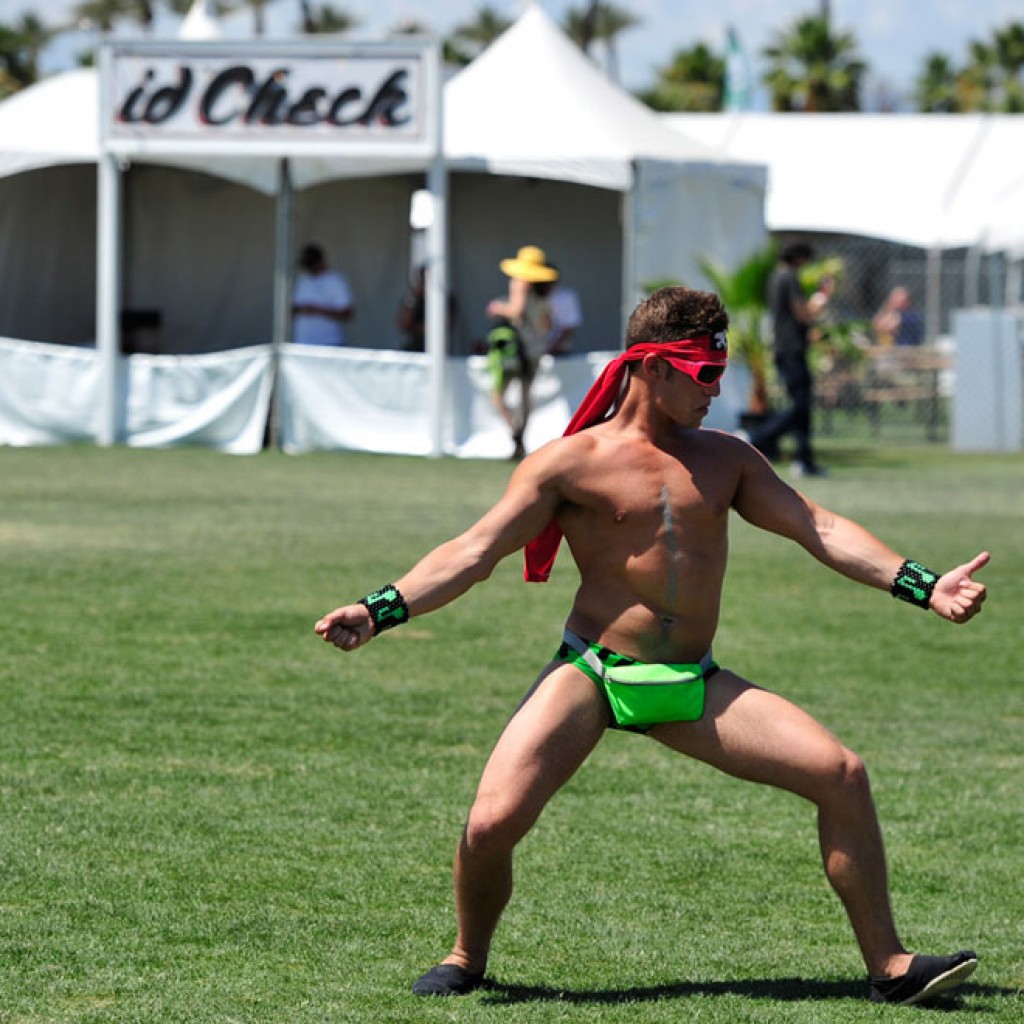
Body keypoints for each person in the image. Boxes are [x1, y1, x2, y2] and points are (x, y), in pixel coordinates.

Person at [315, 285, 987, 1007]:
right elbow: (473, 552)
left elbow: (818, 527)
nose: (716, 390)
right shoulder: (569, 463)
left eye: (720, 373)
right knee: (490, 824)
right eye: (704, 374)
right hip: (592, 673)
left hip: (691, 680)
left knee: (841, 773)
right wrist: (379, 609)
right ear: (654, 367)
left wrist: (924, 585)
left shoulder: (727, 459)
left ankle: (891, 966)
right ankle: (465, 957)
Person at [749, 242, 832, 477]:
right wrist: (820, 300)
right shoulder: (789, 277)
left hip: (784, 348)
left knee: (802, 406)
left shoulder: (776, 277)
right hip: (791, 349)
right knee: (800, 405)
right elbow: (802, 314)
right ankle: (757, 436)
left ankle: (804, 460)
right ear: (798, 257)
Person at [485, 245, 558, 459]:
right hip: (535, 348)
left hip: (516, 347)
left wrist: (498, 308)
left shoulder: (519, 283)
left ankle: (516, 435)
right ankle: (520, 439)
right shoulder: (544, 290)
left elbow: (515, 311)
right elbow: (547, 324)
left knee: (497, 395)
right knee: (526, 396)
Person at [291, 243, 354, 347]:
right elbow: (293, 308)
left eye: (311, 265)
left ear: (319, 262)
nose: (308, 269)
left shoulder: (335, 281)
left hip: (329, 343)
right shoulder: (303, 280)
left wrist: (319, 311)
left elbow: (347, 314)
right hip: (303, 342)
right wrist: (301, 309)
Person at [535, 263, 583, 356]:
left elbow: (569, 327)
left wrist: (551, 348)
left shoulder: (566, 297)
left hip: (559, 352)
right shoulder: (533, 296)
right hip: (534, 351)